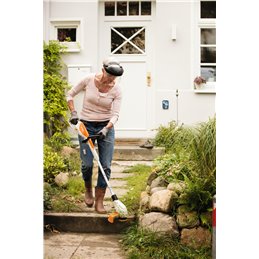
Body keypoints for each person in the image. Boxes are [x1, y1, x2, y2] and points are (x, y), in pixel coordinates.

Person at [66, 57, 124, 214]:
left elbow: (116, 114)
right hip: (86, 126)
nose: (111, 79)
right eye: (109, 75)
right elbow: (70, 95)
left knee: (105, 166)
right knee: (87, 164)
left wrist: (106, 128)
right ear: (103, 70)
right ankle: (88, 189)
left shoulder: (117, 89)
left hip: (106, 127)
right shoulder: (88, 80)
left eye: (114, 77)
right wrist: (73, 113)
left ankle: (99, 201)